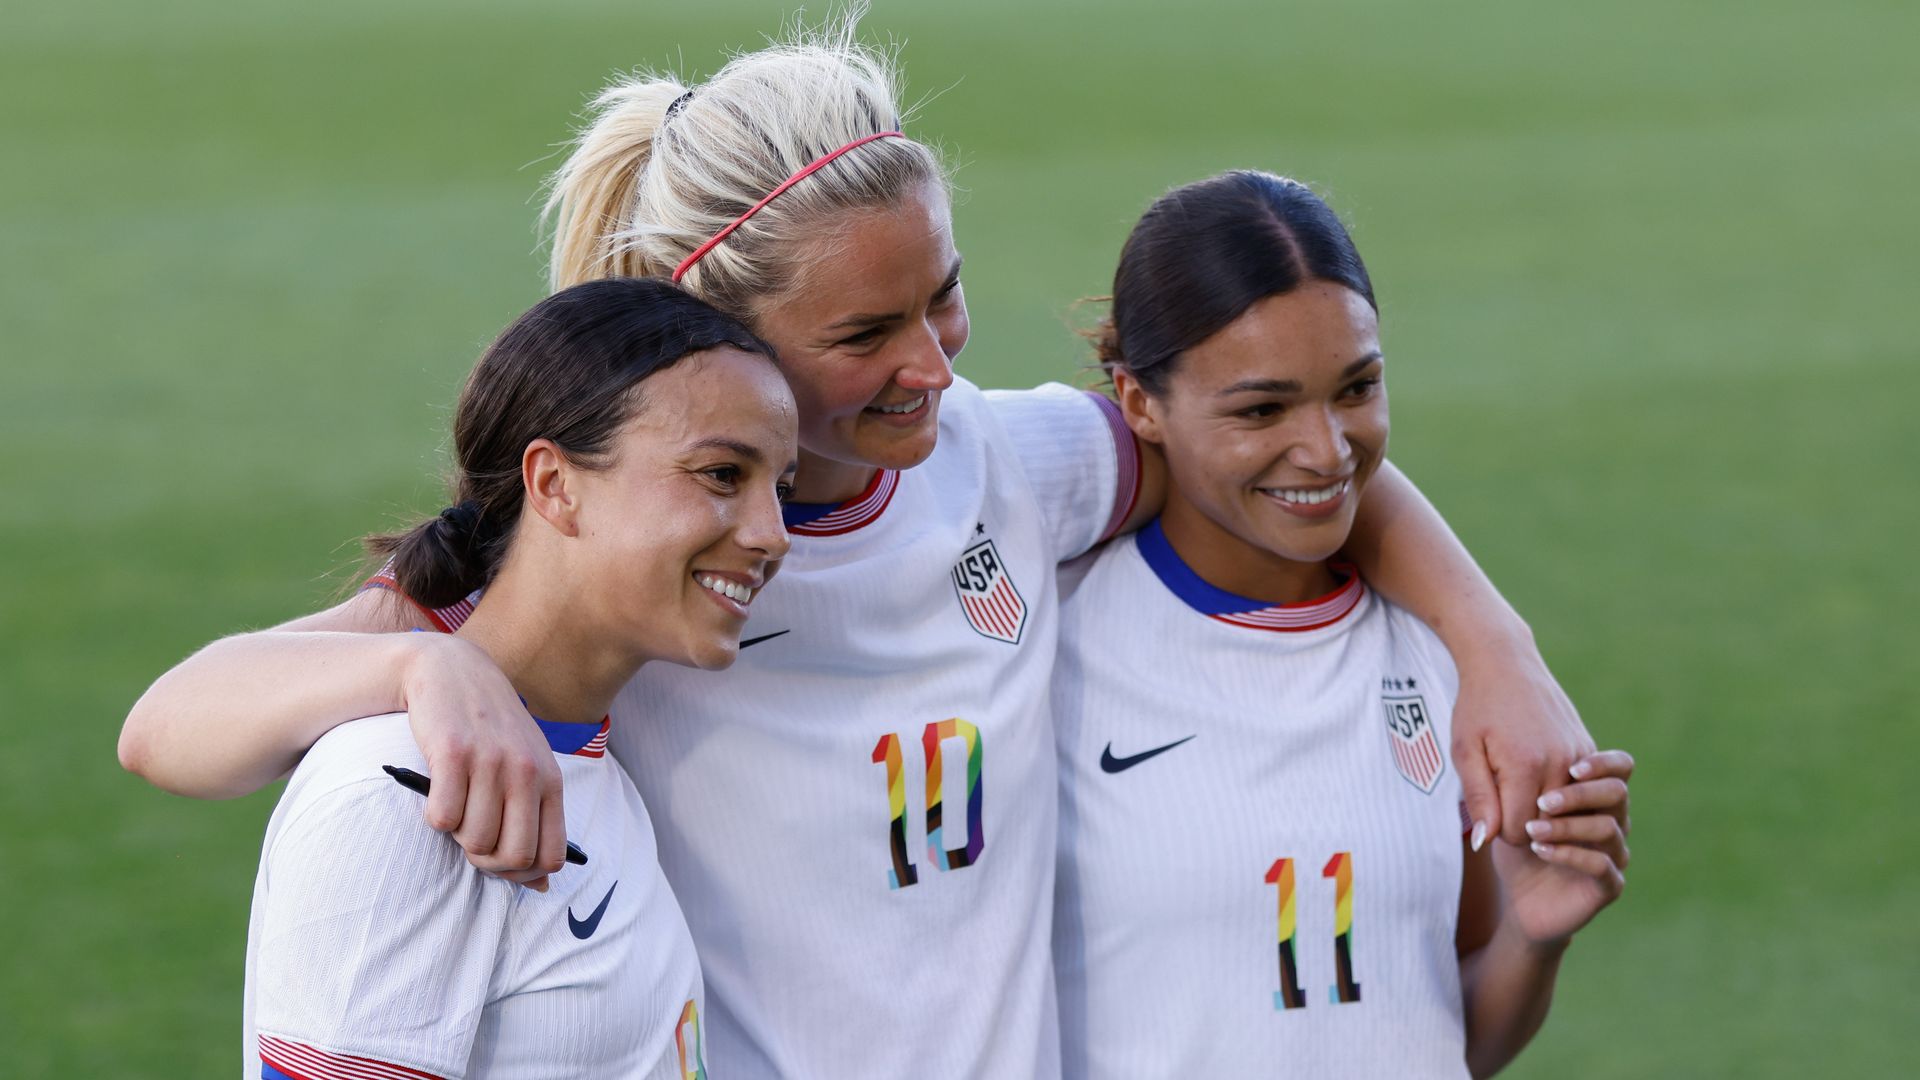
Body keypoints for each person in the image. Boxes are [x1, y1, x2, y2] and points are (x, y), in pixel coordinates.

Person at [121, 20, 1593, 1079]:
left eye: (943, 298)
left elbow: (1275, 451)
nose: (932, 366)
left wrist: (1496, 652)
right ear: (723, 327)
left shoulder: (1010, 465)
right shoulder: (635, 560)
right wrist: (417, 682)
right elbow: (170, 728)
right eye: (863, 335)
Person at [1052, 171, 1631, 1078]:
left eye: (1356, 388)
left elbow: (1444, 1037)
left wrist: (1532, 935)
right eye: (1261, 409)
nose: (1326, 450)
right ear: (1138, 404)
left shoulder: (1439, 658)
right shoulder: (1050, 647)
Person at [243, 277, 796, 1079]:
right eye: (720, 475)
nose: (772, 535)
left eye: (780, 489)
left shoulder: (595, 761)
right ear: (554, 485)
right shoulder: (403, 794)